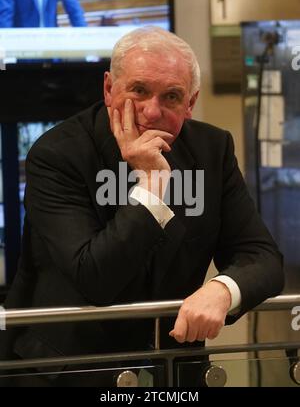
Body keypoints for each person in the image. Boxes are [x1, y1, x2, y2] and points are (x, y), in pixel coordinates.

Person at [0, 27, 284, 385]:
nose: (152, 111)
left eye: (172, 97)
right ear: (108, 88)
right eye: (139, 91)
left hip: (174, 371)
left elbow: (263, 257)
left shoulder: (213, 150)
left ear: (190, 104)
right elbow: (94, 279)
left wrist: (224, 288)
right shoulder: (58, 154)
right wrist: (152, 185)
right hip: (72, 369)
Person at [0, 0, 86, 28]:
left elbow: (74, 10)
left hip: (52, 44)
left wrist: (87, 42)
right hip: (23, 47)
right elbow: (5, 16)